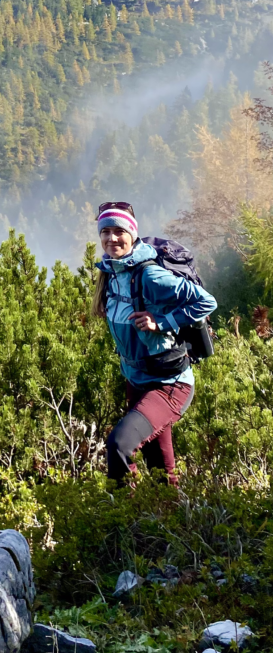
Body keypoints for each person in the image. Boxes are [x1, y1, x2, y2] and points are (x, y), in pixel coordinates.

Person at [92, 201, 217, 487]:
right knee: (161, 470)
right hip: (137, 379)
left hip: (169, 383)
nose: (112, 238)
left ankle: (125, 523)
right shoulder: (110, 273)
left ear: (132, 234)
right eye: (105, 232)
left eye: (119, 231)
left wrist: (160, 322)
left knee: (119, 445)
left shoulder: (149, 275)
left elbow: (206, 302)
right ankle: (169, 522)